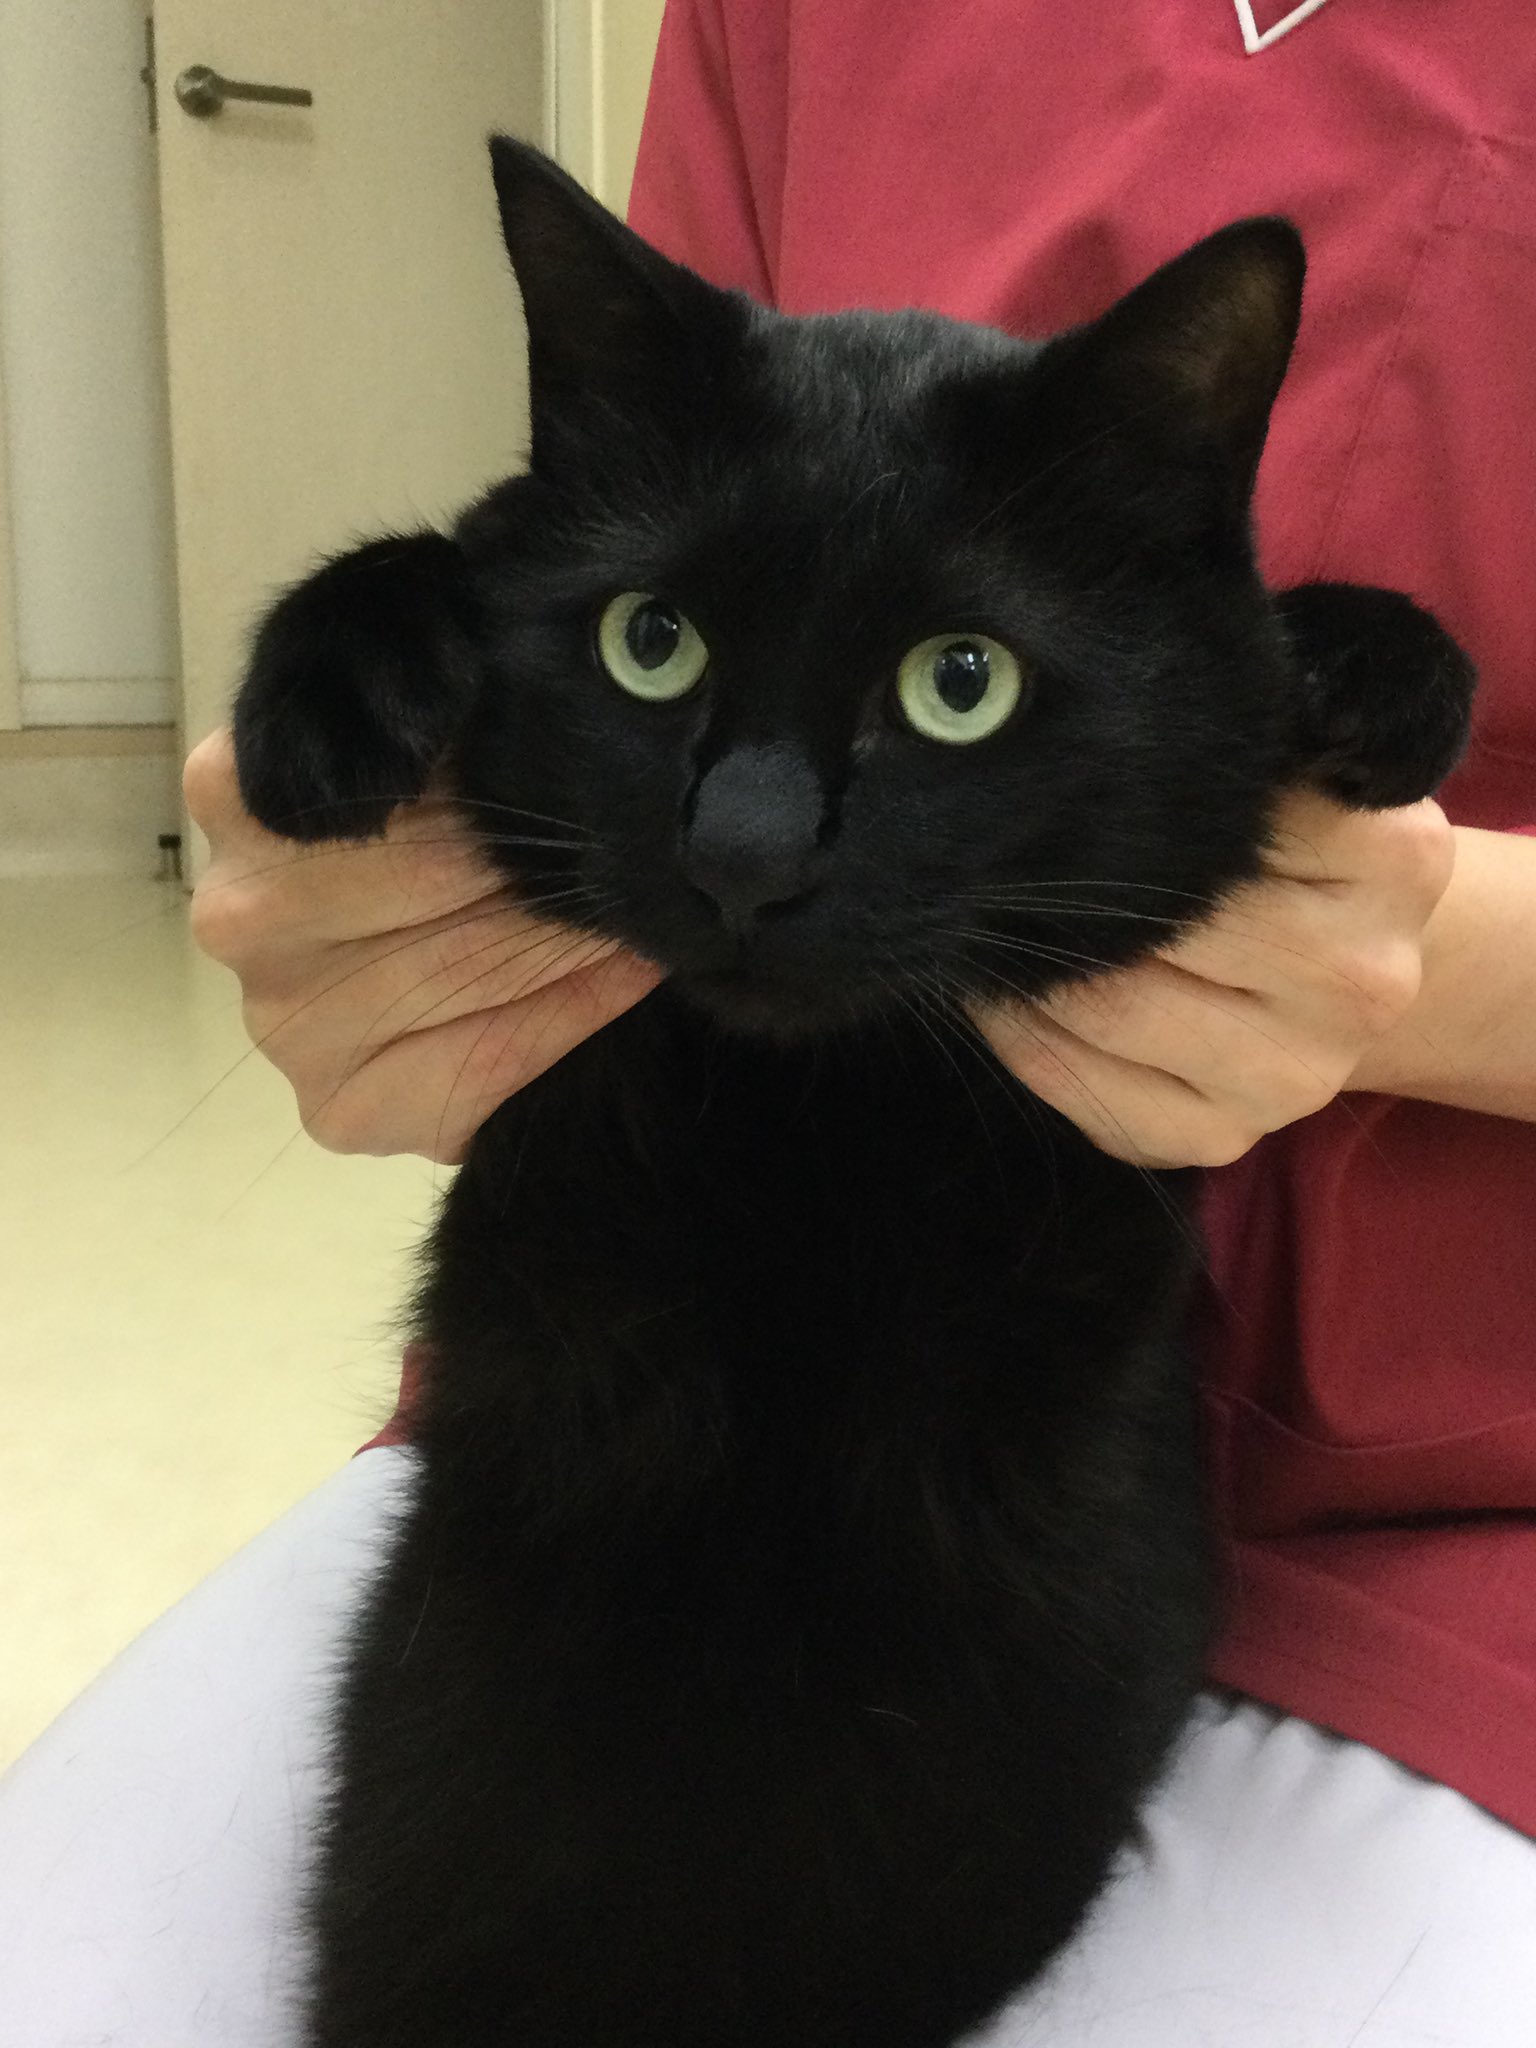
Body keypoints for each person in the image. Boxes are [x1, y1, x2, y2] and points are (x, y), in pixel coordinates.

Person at [3, 4, 1532, 2041]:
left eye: (959, 689)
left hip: (1419, 1506)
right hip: (618, 1453)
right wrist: (390, 698)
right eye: (658, 652)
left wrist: (1416, 940)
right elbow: (614, 518)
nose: (749, 857)